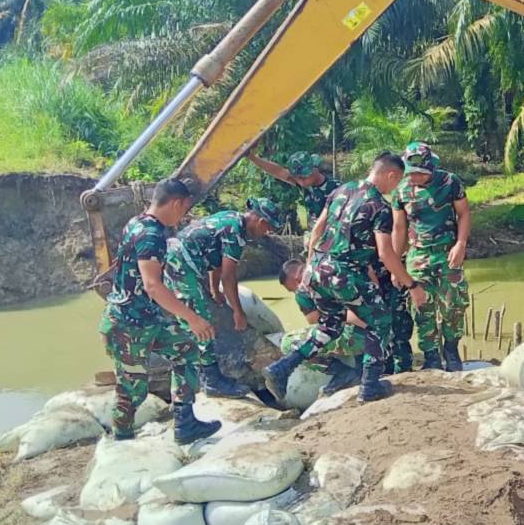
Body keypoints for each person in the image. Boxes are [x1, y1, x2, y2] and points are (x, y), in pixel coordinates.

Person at [264, 152, 426, 403]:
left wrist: (310, 267)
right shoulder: (378, 206)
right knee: (381, 321)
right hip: (344, 272)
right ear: (391, 175)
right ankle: (370, 385)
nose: (397, 187)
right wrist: (411, 284)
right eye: (398, 181)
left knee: (330, 326)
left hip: (318, 267)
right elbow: (385, 254)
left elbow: (317, 229)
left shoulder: (342, 190)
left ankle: (282, 367)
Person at [98, 178, 220, 444]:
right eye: (184, 208)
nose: (184, 215)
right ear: (176, 203)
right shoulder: (151, 236)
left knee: (186, 348)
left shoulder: (136, 223)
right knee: (132, 390)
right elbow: (153, 286)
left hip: (148, 319)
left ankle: (185, 424)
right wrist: (192, 317)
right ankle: (122, 440)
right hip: (127, 325)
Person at [163, 197, 283, 399]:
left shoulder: (229, 219)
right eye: (267, 229)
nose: (266, 233)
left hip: (180, 260)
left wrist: (213, 288)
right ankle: (211, 381)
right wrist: (238, 312)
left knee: (203, 314)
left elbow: (216, 258)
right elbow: (229, 276)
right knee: (202, 322)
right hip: (183, 267)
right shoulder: (235, 233)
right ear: (261, 222)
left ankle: (205, 375)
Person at [391, 141, 471, 372]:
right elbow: (399, 228)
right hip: (418, 256)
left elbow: (464, 213)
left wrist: (461, 244)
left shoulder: (449, 182)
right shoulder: (401, 190)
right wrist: (397, 263)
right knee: (421, 306)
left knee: (453, 304)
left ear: (431, 169)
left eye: (419, 173)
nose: (414, 177)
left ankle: (452, 350)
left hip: (448, 253)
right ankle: (431, 355)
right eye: (410, 173)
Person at [278, 257, 366, 396]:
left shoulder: (303, 290)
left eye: (292, 290)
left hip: (354, 338)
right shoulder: (335, 267)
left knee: (289, 342)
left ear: (296, 280)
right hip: (377, 334)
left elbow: (316, 321)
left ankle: (343, 372)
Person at [246, 150, 341, 241]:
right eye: (297, 178)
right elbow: (278, 171)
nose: (301, 181)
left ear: (314, 169)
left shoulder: (336, 189)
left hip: (334, 236)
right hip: (316, 236)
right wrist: (253, 158)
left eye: (304, 177)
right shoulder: (305, 185)